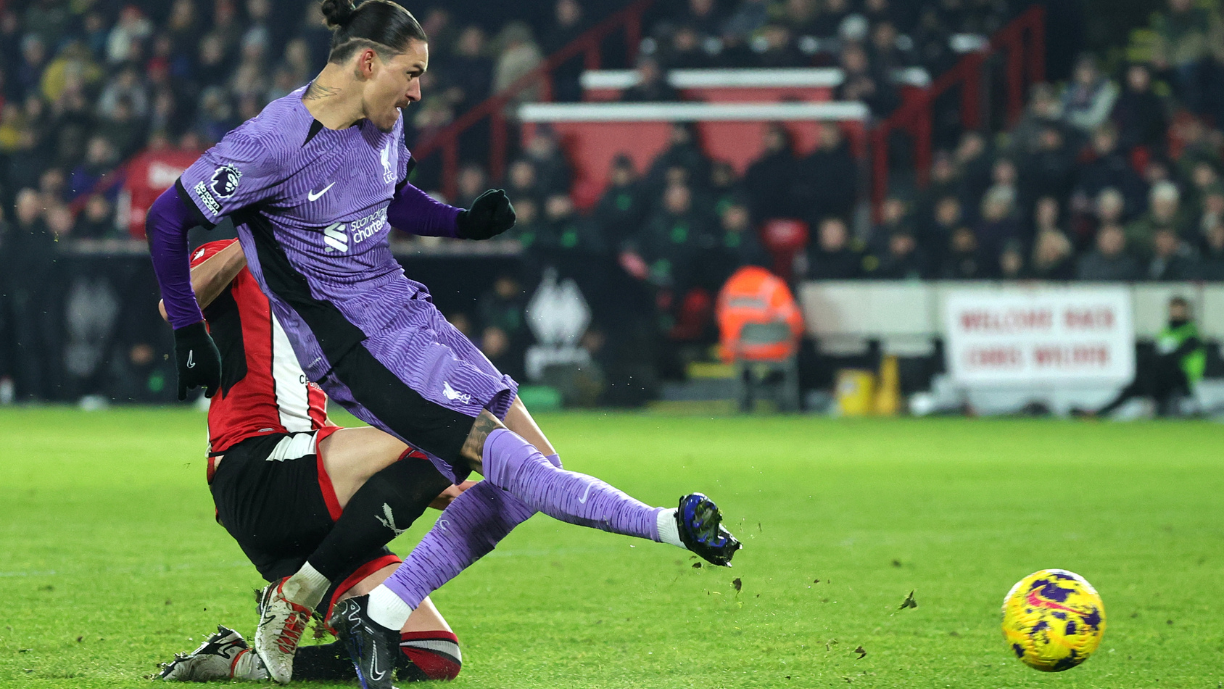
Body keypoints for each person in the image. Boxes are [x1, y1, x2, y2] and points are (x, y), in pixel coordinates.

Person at [143, 3, 741, 686]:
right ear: (367, 61)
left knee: (534, 468)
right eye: (412, 73)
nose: (418, 91)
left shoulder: (382, 125)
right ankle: (669, 524)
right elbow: (168, 217)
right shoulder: (273, 141)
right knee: (502, 464)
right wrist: (190, 330)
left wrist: (461, 223)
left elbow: (391, 195)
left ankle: (384, 609)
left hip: (414, 315)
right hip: (360, 350)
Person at [155, 240, 470, 683]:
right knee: (443, 436)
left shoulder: (331, 278)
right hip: (258, 465)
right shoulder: (233, 251)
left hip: (316, 490)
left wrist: (524, 486)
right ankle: (301, 592)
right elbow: (176, 305)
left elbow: (440, 481)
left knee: (430, 654)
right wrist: (252, 234)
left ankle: (238, 660)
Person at [1076, 297, 1206, 418]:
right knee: (1134, 383)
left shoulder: (1191, 334)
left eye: (1179, 311)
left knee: (1150, 365)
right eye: (1173, 310)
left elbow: (1175, 357)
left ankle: (1161, 405)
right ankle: (1099, 412)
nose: (1176, 314)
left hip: (1182, 379)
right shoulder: (1166, 331)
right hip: (1161, 377)